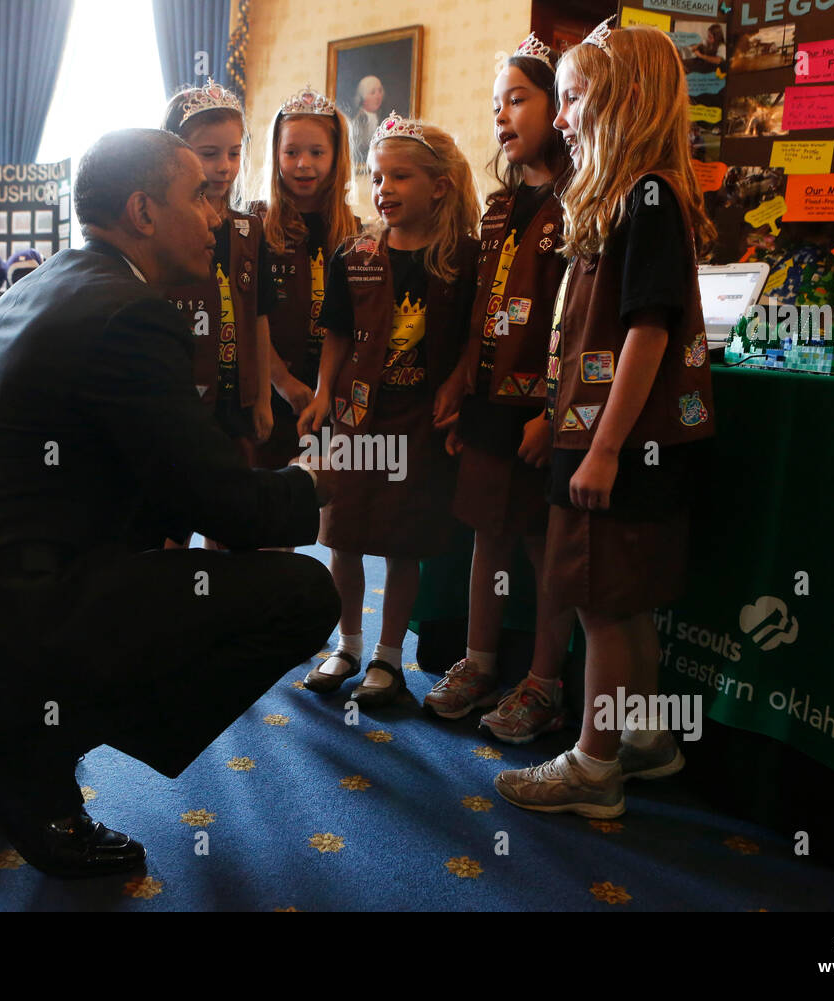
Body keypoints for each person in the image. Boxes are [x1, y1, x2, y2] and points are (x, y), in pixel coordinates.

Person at [0, 128, 341, 877]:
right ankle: (18, 763)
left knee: (166, 566)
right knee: (302, 594)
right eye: (198, 194)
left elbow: (119, 468)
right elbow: (227, 506)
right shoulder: (131, 314)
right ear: (142, 210)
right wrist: (312, 483)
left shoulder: (49, 283)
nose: (214, 215)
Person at [494, 23, 717, 816]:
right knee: (623, 597)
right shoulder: (626, 195)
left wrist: (606, 449)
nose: (561, 118)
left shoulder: (647, 193)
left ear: (621, 101)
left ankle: (594, 765)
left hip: (617, 443)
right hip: (605, 437)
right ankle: (647, 737)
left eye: (575, 98)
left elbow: (647, 330)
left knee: (599, 601)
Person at [296, 114, 480, 708]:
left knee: (404, 541)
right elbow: (337, 333)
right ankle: (347, 643)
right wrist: (323, 394)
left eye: (400, 176)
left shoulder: (462, 257)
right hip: (355, 415)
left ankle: (389, 656)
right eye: (377, 178)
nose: (385, 189)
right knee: (342, 534)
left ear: (440, 186)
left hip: (418, 420)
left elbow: (478, 335)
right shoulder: (357, 253)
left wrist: (459, 382)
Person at [423, 34, 572, 743]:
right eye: (496, 106)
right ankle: (480, 660)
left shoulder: (579, 204)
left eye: (519, 99)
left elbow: (579, 324)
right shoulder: (496, 208)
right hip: (486, 401)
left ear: (560, 105)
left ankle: (544, 680)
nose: (504, 117)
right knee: (488, 535)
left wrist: (552, 410)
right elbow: (483, 303)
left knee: (546, 546)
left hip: (543, 410)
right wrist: (458, 380)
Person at [161, 80, 273, 477]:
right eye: (209, 154)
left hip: (236, 399)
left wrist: (262, 399)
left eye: (234, 152)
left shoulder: (250, 230)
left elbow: (259, 317)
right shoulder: (163, 235)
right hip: (182, 398)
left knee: (231, 516)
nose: (224, 166)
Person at [252, 84, 360, 470]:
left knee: (312, 506)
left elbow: (346, 321)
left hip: (327, 398)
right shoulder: (254, 227)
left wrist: (322, 389)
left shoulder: (354, 233)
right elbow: (250, 312)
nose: (303, 164)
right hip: (264, 393)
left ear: (336, 156)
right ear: (276, 153)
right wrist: (281, 381)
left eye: (317, 153)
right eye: (291, 152)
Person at [348, 75, 384, 168]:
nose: (378, 96)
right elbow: (358, 148)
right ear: (363, 98)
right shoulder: (359, 120)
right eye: (372, 93)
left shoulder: (382, 118)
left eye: (380, 91)